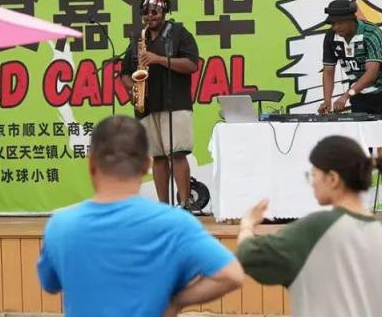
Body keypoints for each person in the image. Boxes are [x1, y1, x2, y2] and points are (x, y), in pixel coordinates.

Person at [37, 115, 243, 317]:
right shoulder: (176, 224)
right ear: (147, 164)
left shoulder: (61, 226)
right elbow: (230, 274)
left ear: (91, 164)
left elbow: (50, 284)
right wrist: (176, 301)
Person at [236, 135, 382, 317]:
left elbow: (248, 254)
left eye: (313, 175)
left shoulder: (316, 228)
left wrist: (247, 225)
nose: (312, 183)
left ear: (332, 178)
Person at [319, 0, 382, 219]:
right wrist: (327, 100)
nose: (335, 28)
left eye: (339, 23)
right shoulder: (331, 37)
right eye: (332, 23)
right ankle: (357, 204)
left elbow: (372, 72)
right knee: (360, 150)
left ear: (351, 19)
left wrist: (347, 95)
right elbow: (329, 71)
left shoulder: (371, 33)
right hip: (360, 96)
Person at [121, 0, 200, 207]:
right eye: (146, 13)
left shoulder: (179, 33)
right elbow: (125, 72)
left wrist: (158, 59)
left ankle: (184, 204)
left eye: (154, 12)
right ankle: (163, 206)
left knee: (177, 154)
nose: (150, 16)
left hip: (175, 103)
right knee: (157, 156)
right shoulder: (139, 40)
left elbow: (192, 64)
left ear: (164, 12)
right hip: (147, 105)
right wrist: (132, 88)